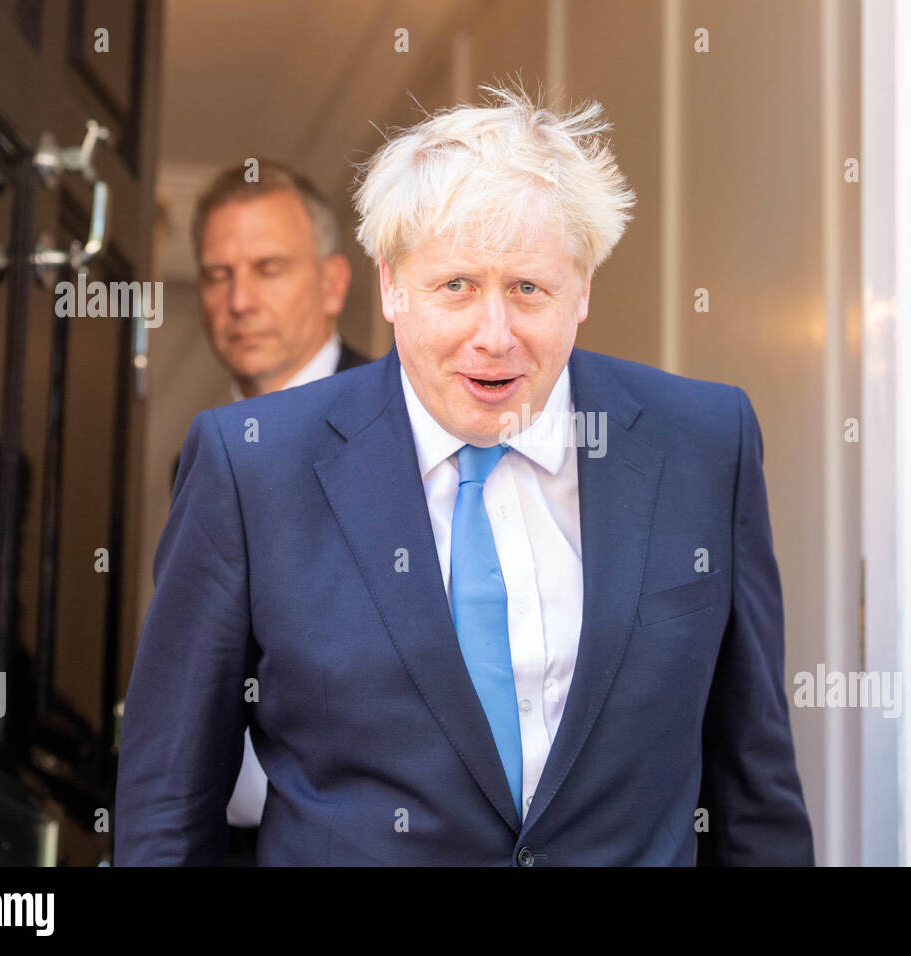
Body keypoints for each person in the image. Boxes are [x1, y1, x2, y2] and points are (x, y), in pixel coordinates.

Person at [116, 85, 813, 865]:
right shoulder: (251, 466)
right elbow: (166, 807)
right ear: (390, 286)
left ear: (582, 288)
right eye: (456, 286)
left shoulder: (704, 445)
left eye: (528, 289)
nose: (494, 335)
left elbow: (754, 785)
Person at [175, 162, 371, 854]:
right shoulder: (199, 457)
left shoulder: (401, 428)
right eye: (217, 274)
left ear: (332, 283)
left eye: (268, 268)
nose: (240, 300)